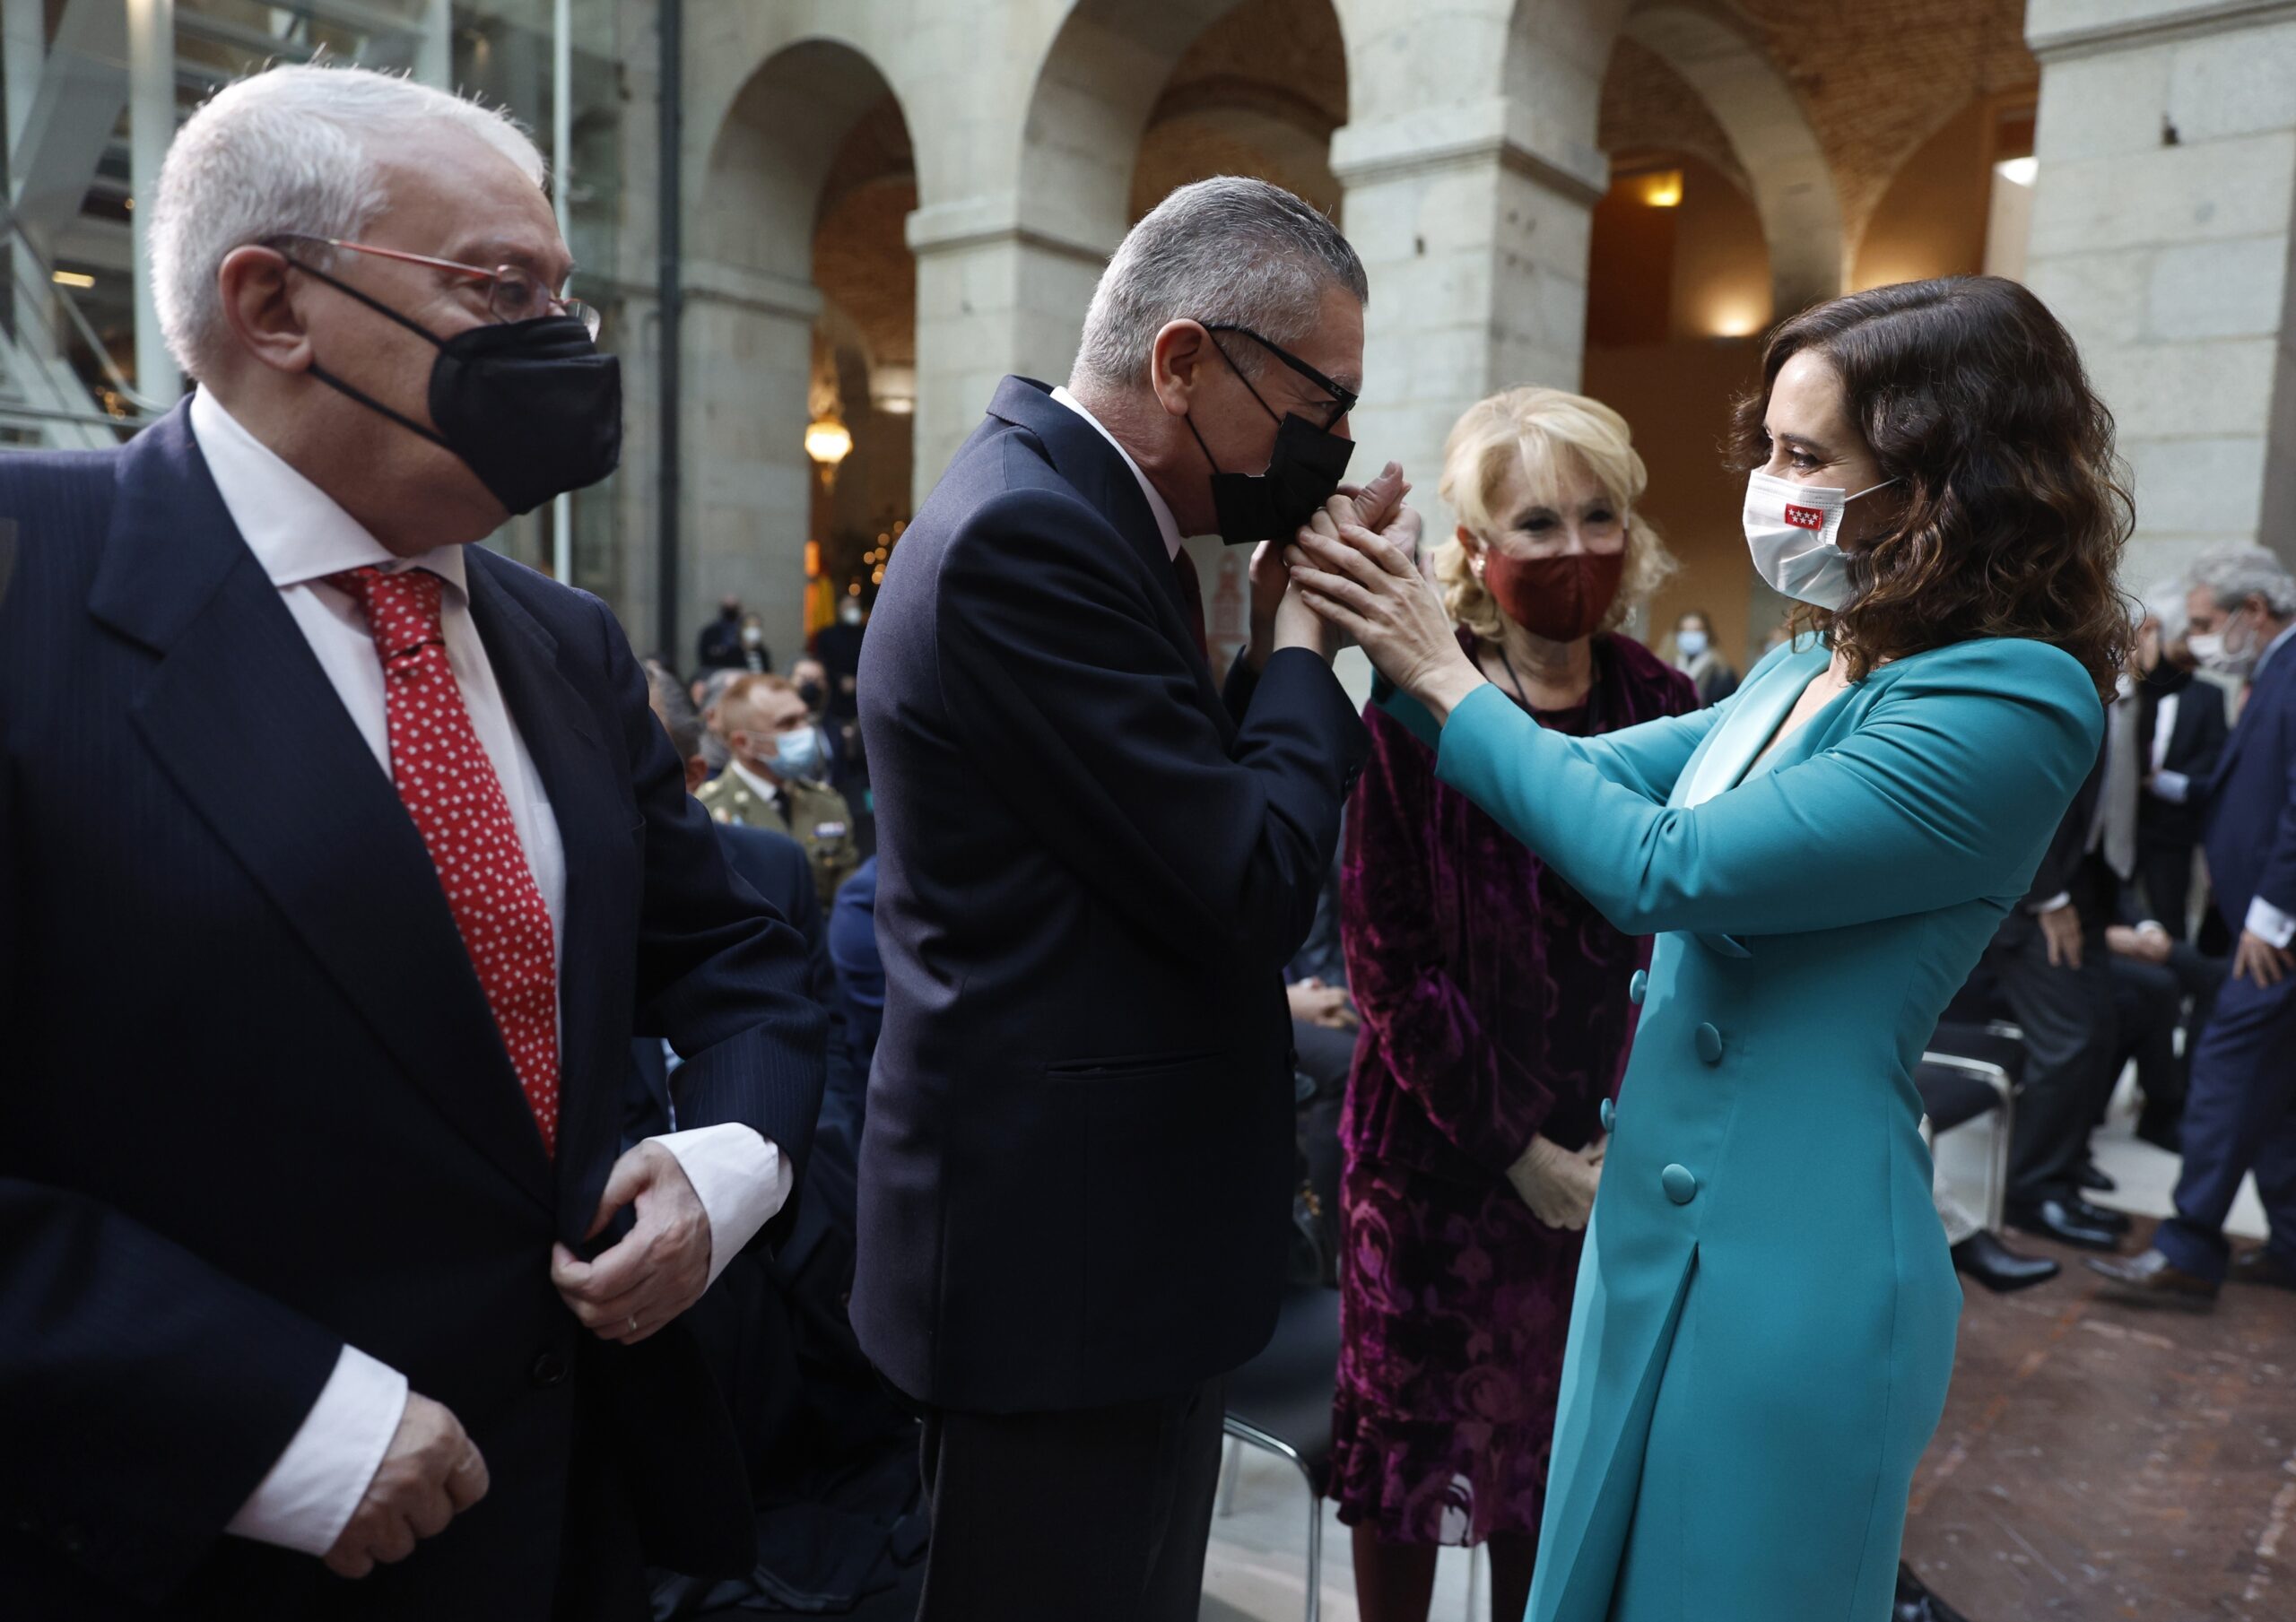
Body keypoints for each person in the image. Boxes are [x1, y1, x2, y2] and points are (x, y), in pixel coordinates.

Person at [0, 64, 827, 1620]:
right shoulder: (27, 577)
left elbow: (738, 954)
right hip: (189, 1547)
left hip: (572, 1520)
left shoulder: (567, 641)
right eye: (499, 290)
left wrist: (725, 1164)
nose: (560, 345)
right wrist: (261, 1415)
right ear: (273, 304)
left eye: (564, 297)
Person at [1283, 274, 2126, 1622]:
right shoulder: (1813, 661)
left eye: (1807, 456)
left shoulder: (2010, 698)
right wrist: (1373, 630)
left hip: (1793, 1254)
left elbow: (1658, 864)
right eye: (1769, 449)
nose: (1770, 485)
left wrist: (1438, 667)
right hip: (1655, 1230)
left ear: (1940, 480)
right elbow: (1565, 773)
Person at [853, 176, 1378, 1622]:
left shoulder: (1089, 514)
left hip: (1114, 1251)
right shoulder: (1030, 534)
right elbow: (1248, 876)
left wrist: (1258, 655)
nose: (1333, 448)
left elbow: (1152, 827)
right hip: (1058, 1271)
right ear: (1185, 360)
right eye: (1318, 405)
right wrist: (1304, 646)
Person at [1329, 387, 1695, 1622]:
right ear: (1477, 549)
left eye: (1598, 516)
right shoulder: (1416, 709)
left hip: (1610, 1166)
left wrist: (1620, 1141)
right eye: (1536, 523)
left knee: (1557, 1478)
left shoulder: (1665, 701)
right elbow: (1386, 959)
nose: (1573, 548)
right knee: (1410, 1480)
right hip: (1434, 1175)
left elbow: (1688, 928)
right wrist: (1517, 1148)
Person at [2092, 547, 2296, 1305]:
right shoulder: (2272, 670)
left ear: (2255, 610)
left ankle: (2186, 1253)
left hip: (2271, 935)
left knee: (2224, 1075)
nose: (2201, 638)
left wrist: (2272, 917)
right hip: (2259, 924)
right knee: (2277, 1093)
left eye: (2207, 623)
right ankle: (2291, 1243)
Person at [1986, 702, 2136, 1253]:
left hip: (2089, 884)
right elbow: (2019, 789)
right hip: (2037, 896)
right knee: (2067, 1041)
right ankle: (2032, 1192)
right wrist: (2046, 896)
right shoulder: (2067, 674)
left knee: (2098, 1032)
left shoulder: (2130, 699)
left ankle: (2063, 1175)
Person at [698, 673, 860, 910]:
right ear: (743, 743)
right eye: (788, 723)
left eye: (805, 718)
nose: (805, 730)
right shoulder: (708, 812)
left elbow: (849, 896)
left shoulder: (827, 802)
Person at [2132, 597, 2229, 940]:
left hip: (2171, 826)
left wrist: (2162, 782)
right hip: (2125, 819)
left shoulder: (2205, 694)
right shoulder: (2129, 691)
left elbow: (2214, 757)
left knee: (2170, 917)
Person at [1665, 609, 1739, 707]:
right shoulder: (1665, 669)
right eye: (1685, 630)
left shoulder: (1722, 673)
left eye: (1696, 630)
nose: (1690, 636)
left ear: (1707, 634)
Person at [698, 594, 746, 671]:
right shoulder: (710, 631)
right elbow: (705, 655)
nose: (730, 610)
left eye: (733, 607)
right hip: (715, 669)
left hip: (741, 669)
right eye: (727, 608)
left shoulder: (745, 630)